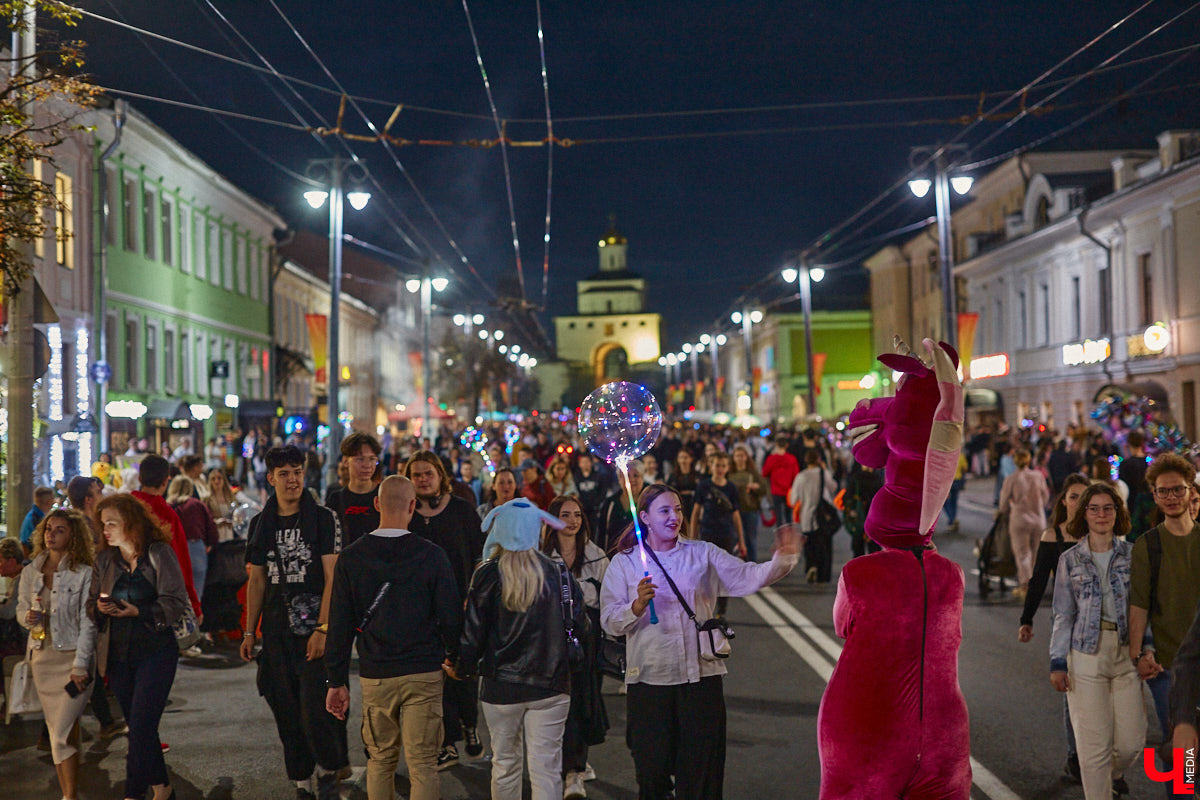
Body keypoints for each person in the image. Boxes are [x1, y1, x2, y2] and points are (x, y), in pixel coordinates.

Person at [601, 484, 799, 800]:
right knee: (651, 770)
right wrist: (636, 606)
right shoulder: (625, 563)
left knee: (701, 773)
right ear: (645, 518)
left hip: (700, 679)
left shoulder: (701, 553)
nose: (674, 517)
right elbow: (609, 620)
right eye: (664, 511)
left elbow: (747, 576)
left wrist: (782, 560)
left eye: (678, 509)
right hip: (650, 680)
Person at [324, 476, 463, 800]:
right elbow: (451, 616)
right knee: (423, 764)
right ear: (412, 506)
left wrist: (336, 679)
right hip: (424, 671)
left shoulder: (352, 557)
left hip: (376, 673)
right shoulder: (432, 555)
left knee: (380, 761)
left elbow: (340, 622)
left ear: (376, 504)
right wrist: (455, 658)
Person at [457, 499, 587, 800]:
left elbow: (472, 634)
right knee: (546, 770)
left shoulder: (488, 574)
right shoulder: (558, 573)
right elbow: (582, 625)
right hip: (552, 684)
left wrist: (461, 667)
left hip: (500, 687)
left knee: (505, 766)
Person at [241, 445, 348, 799]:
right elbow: (256, 580)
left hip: (314, 632)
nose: (293, 479)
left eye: (297, 471)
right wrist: (248, 630)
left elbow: (334, 577)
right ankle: (302, 782)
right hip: (274, 634)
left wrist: (323, 629)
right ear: (270, 478)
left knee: (315, 714)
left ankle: (330, 771)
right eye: (284, 473)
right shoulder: (260, 525)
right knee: (286, 713)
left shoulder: (322, 518)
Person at [91, 494, 191, 800]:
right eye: (103, 523)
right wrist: (99, 607)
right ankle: (163, 788)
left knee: (142, 727)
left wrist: (140, 611)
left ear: (131, 524)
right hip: (118, 655)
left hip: (155, 650)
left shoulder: (158, 553)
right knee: (139, 727)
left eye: (112, 523)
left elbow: (176, 600)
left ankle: (133, 793)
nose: (105, 529)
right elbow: (90, 604)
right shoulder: (105, 560)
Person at [1048, 483, 1145, 800]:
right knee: (1093, 747)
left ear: (1118, 513)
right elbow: (1062, 614)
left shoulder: (1133, 555)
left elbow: (1145, 608)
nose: (1101, 514)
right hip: (1085, 653)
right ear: (1084, 515)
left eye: (1108, 508)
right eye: (1094, 508)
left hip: (1126, 653)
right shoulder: (1070, 559)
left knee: (1130, 743)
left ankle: (1111, 773)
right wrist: (1058, 662)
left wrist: (1148, 649)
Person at [404, 451, 485, 769]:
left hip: (460, 605)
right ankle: (447, 741)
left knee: (462, 670)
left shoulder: (463, 510)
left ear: (440, 475)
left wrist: (473, 596)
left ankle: (469, 724)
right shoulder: (406, 514)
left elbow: (480, 557)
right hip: (421, 611)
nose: (423, 479)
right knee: (434, 677)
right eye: (416, 475)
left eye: (428, 473)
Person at [1126, 453, 1200, 770]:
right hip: (1166, 667)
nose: (1171, 497)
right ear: (1154, 495)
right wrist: (1139, 653)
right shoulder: (1148, 545)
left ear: (1190, 490)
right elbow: (1139, 604)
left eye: (1177, 490)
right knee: (1182, 756)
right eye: (1163, 491)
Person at [16, 510, 96, 800]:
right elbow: (20, 613)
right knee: (58, 731)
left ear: (73, 535)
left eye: (60, 530)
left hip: (72, 659)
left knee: (61, 731)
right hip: (43, 658)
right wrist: (29, 617)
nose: (51, 534)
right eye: (48, 528)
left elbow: (89, 623)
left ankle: (70, 795)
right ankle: (69, 794)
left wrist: (81, 665)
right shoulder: (30, 572)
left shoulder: (84, 572)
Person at [1017, 473, 1089, 783]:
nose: (1079, 503)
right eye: (1073, 497)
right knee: (1072, 689)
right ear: (1064, 501)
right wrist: (1026, 619)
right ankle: (1076, 755)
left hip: (1105, 624)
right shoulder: (1052, 537)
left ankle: (1107, 761)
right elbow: (1037, 582)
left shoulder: (1102, 532)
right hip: (1067, 624)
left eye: (1084, 498)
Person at [542, 495, 610, 798]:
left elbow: (609, 599)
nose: (572, 521)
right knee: (555, 703)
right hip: (550, 638)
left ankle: (575, 770)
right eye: (565, 515)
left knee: (582, 700)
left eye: (578, 515)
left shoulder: (596, 556)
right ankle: (557, 764)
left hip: (587, 638)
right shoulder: (539, 556)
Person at [65, 475, 124, 737]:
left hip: (87, 597)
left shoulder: (81, 524)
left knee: (90, 658)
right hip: (86, 598)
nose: (101, 496)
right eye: (97, 492)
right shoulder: (83, 527)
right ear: (89, 499)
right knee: (90, 657)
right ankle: (103, 721)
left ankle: (103, 720)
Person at [132, 455, 202, 621]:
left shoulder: (123, 507)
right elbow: (180, 560)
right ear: (165, 482)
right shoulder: (167, 514)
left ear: (140, 478)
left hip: (125, 592)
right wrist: (194, 605)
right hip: (158, 597)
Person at [692, 453, 746, 616]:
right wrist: (692, 537)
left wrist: (741, 540)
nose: (720, 469)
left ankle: (721, 609)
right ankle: (706, 606)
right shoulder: (703, 486)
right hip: (708, 534)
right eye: (717, 465)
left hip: (726, 534)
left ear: (728, 468)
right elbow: (696, 512)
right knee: (706, 574)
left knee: (723, 574)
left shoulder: (731, 488)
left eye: (723, 466)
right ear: (711, 466)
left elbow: (736, 515)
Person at [999, 448, 1050, 599]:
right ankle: (1036, 584)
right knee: (1036, 553)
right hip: (1038, 518)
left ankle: (1025, 585)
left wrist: (1005, 510)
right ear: (1029, 460)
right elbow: (1045, 496)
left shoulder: (1011, 478)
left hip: (1019, 518)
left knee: (1023, 554)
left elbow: (1003, 503)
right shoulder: (1038, 476)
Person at [323, 432, 384, 548]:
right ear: (346, 461)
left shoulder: (384, 496)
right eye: (360, 459)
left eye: (372, 459)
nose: (367, 465)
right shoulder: (336, 499)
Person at [166, 476, 219, 604]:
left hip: (172, 551)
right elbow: (211, 527)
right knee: (195, 594)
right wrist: (210, 544)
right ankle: (193, 620)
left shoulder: (167, 506)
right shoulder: (196, 504)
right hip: (196, 549)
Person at [788, 449, 838, 584]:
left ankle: (811, 566)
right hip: (822, 517)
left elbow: (793, 500)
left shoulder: (801, 476)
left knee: (809, 545)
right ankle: (823, 574)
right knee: (824, 546)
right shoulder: (824, 474)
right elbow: (833, 487)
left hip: (807, 517)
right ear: (819, 460)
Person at [596, 462, 645, 554]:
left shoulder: (649, 503)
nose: (631, 480)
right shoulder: (610, 503)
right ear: (619, 479)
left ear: (642, 478)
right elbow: (601, 535)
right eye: (626, 476)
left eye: (636, 475)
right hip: (614, 558)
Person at [727, 446, 765, 564]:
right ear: (733, 458)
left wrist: (756, 487)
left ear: (747, 457)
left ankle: (752, 565)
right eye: (737, 456)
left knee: (750, 539)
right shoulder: (729, 473)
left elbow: (763, 489)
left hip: (750, 509)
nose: (740, 458)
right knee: (734, 540)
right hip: (733, 511)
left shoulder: (753, 473)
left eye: (742, 456)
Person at [762, 436, 799, 531]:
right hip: (788, 491)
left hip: (775, 490)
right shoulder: (792, 459)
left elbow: (765, 472)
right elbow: (796, 475)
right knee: (788, 515)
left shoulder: (771, 459)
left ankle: (780, 536)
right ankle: (790, 534)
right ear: (787, 445)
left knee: (778, 515)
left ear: (776, 445)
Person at [573, 453, 611, 536]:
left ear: (591, 463)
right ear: (579, 464)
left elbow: (602, 492)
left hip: (594, 510)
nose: (585, 464)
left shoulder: (598, 476)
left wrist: (596, 503)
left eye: (587, 462)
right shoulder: (576, 477)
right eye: (583, 462)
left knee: (593, 532)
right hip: (581, 509)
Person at [19, 486, 56, 554]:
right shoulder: (35, 519)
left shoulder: (35, 516)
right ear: (48, 502)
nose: (53, 503)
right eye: (52, 500)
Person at [667, 450, 700, 522]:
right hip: (678, 507)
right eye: (681, 457)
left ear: (691, 459)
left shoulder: (697, 476)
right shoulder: (673, 476)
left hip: (693, 506)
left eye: (685, 457)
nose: (683, 461)